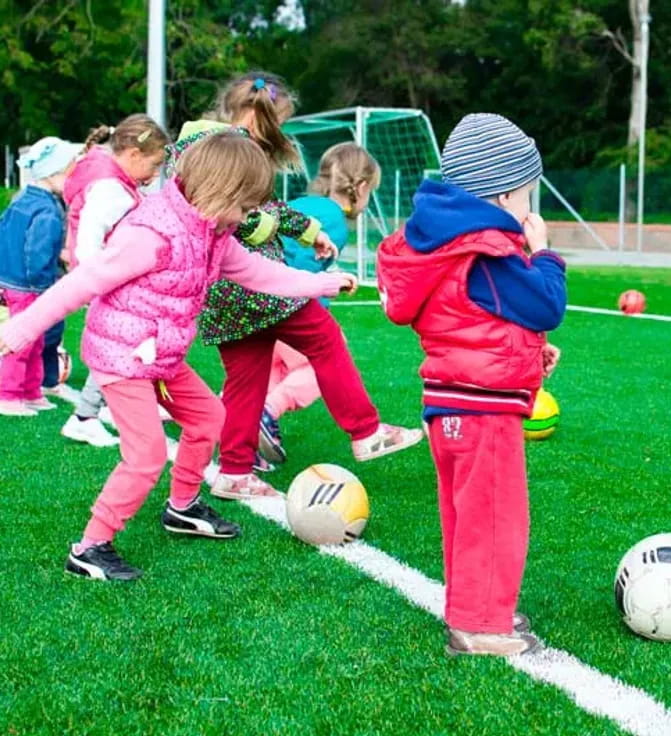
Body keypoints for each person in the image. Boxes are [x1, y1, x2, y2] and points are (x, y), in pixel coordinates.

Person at [0, 132, 358, 581]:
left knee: (211, 418)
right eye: (246, 207)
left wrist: (321, 284)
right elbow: (83, 282)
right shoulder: (150, 235)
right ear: (219, 192)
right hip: (123, 358)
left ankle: (183, 507)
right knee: (146, 455)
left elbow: (257, 273)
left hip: (161, 356)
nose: (250, 218)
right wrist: (21, 328)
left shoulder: (214, 231)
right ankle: (89, 547)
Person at [169, 71, 421, 499]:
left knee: (247, 379)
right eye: (279, 123)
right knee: (325, 340)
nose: (279, 133)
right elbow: (241, 215)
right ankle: (366, 431)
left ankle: (233, 471)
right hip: (255, 284)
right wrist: (279, 234)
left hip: (223, 294)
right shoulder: (227, 149)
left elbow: (265, 206)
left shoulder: (202, 143)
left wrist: (309, 232)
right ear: (258, 116)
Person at [377, 113, 567, 656]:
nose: (531, 208)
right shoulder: (486, 250)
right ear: (504, 193)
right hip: (481, 412)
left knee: (467, 516)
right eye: (528, 194)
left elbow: (474, 320)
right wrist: (545, 253)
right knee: (493, 517)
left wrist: (529, 356)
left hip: (452, 402)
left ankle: (477, 607)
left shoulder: (446, 245)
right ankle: (480, 626)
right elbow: (545, 303)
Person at [258, 142, 382, 466]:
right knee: (323, 361)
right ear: (363, 187)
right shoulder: (335, 221)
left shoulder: (304, 203)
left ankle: (239, 435)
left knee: (266, 373)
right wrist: (323, 286)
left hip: (256, 299)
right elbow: (301, 264)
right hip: (285, 303)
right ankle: (267, 413)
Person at [59, 114, 170, 448]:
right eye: (154, 165)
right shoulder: (110, 188)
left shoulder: (113, 180)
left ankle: (99, 409)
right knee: (120, 347)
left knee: (123, 345)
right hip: (109, 283)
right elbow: (90, 241)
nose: (153, 177)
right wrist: (102, 280)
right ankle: (84, 416)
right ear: (134, 155)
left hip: (109, 280)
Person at [0, 137, 82, 417]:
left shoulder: (21, 198)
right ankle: (9, 394)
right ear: (54, 173)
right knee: (25, 340)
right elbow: (37, 253)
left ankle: (30, 392)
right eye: (69, 171)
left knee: (34, 339)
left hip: (13, 281)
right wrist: (44, 286)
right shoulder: (47, 209)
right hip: (30, 286)